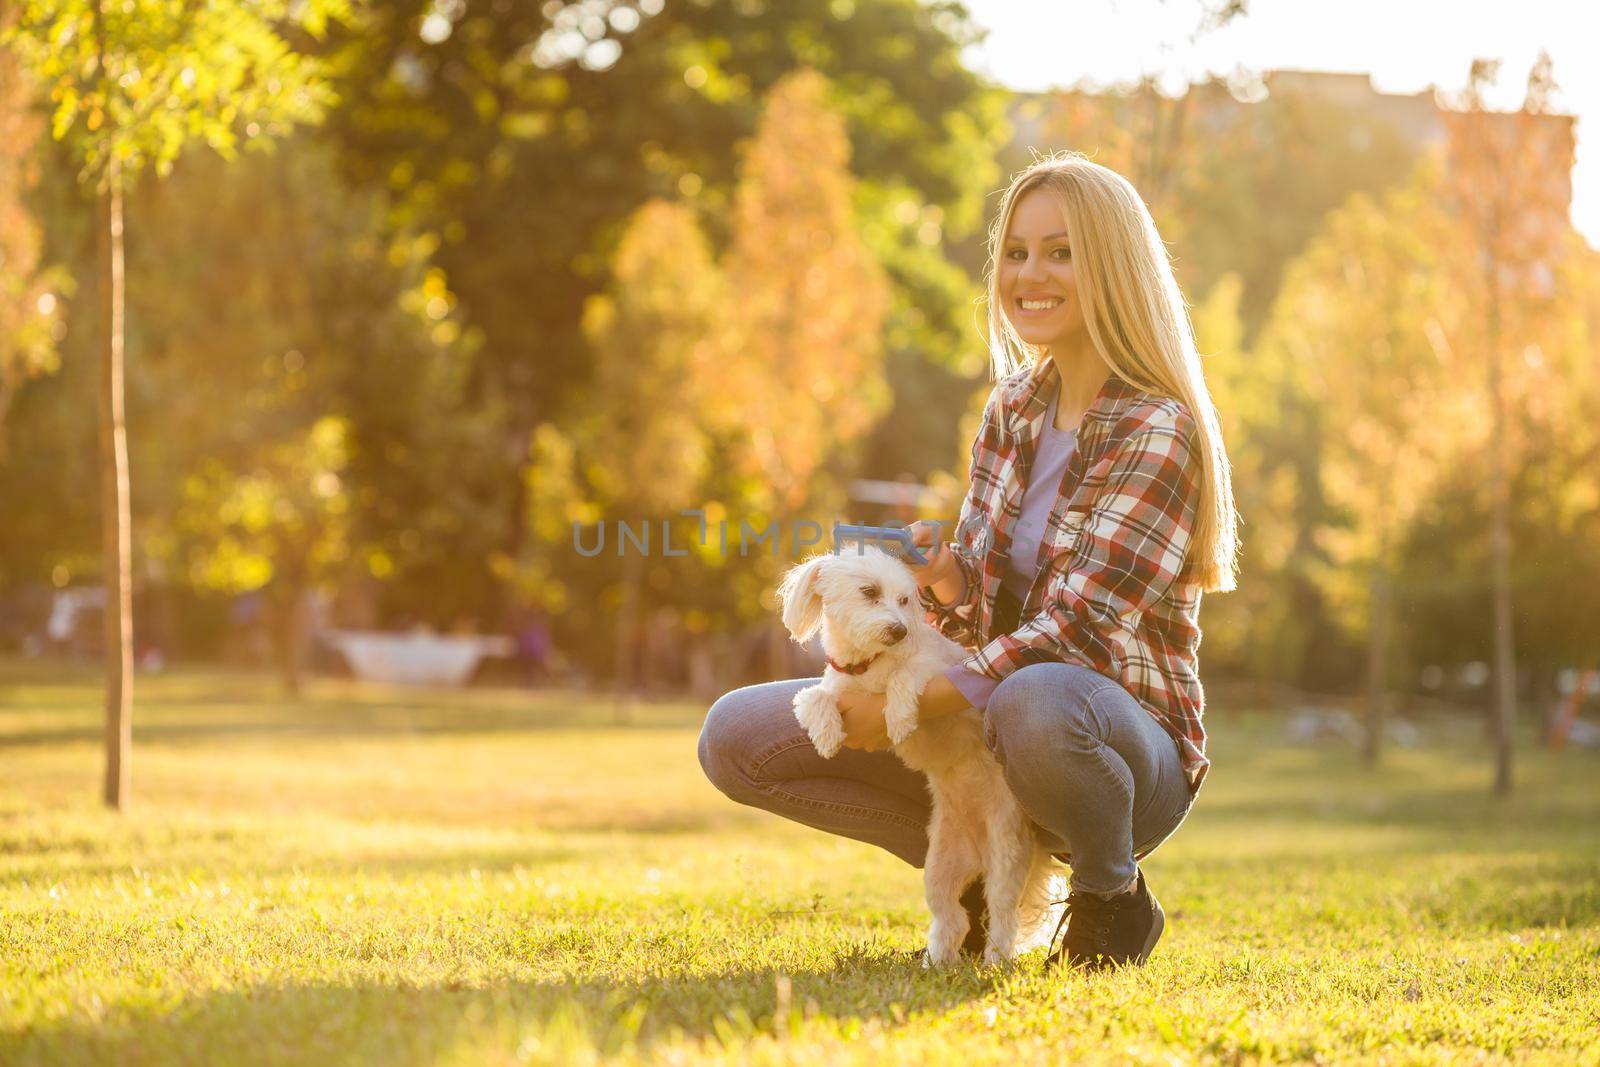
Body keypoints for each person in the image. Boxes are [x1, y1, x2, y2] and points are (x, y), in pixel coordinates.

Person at [698, 152, 1240, 971]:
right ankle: (981, 887)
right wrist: (949, 579)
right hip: (988, 718)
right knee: (736, 736)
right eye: (1016, 252)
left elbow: (1078, 628)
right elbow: (980, 615)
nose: (1031, 273)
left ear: (1114, 266)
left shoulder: (1156, 429)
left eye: (1061, 251)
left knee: (1037, 697)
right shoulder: (1012, 407)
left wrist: (917, 701)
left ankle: (1110, 897)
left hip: (1113, 747)